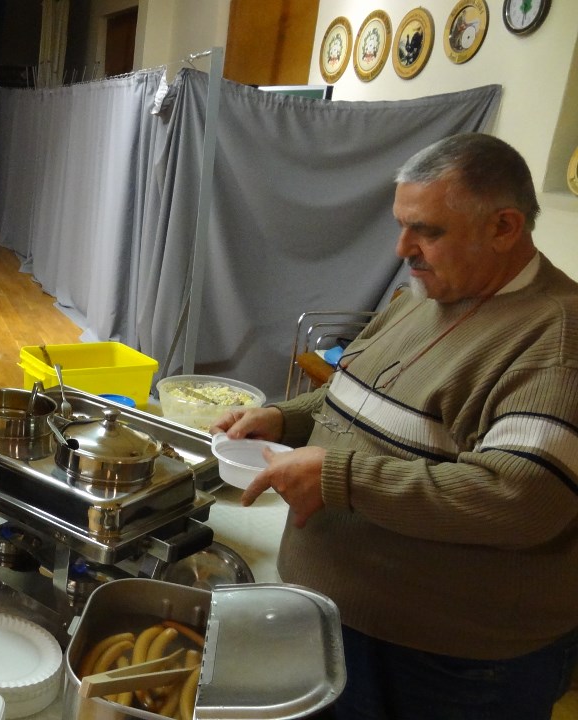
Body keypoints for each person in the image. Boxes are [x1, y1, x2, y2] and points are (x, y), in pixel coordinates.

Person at [216, 133, 578, 720]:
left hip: (445, 662)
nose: (402, 248)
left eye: (427, 230)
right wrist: (286, 418)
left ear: (504, 227)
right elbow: (358, 391)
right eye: (402, 225)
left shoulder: (555, 338)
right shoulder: (424, 294)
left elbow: (521, 498)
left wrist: (342, 479)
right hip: (335, 613)